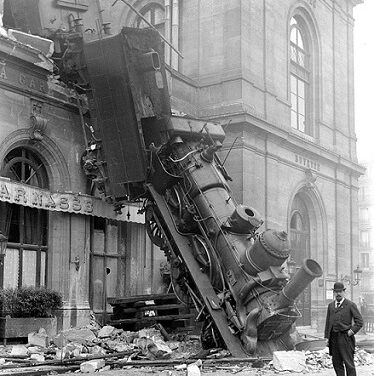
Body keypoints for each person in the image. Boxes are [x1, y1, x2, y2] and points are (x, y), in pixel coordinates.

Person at [324, 281, 363, 376]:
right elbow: (328, 322)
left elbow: (359, 322)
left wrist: (351, 332)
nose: (338, 293)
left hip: (345, 338)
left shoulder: (350, 305)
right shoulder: (331, 306)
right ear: (334, 293)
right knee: (336, 363)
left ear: (344, 292)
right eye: (336, 291)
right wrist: (327, 337)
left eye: (340, 291)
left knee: (349, 364)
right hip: (334, 339)